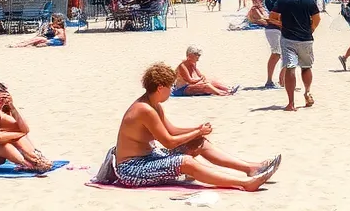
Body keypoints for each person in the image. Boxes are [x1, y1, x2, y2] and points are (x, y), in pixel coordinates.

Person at [114, 62, 281, 189]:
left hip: (149, 157)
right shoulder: (144, 110)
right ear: (159, 88)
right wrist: (195, 132)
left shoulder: (154, 105)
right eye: (170, 87)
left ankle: (250, 168)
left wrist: (197, 131)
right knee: (185, 162)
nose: (171, 91)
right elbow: (169, 142)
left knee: (198, 142)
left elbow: (171, 131)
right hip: (132, 169)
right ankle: (245, 183)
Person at [276, 0, 320, 110]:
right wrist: (311, 29)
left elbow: (273, 16)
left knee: (290, 67)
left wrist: (282, 24)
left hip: (288, 37)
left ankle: (291, 103)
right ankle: (307, 92)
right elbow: (317, 18)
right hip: (306, 38)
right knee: (306, 67)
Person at [173, 46, 238, 96]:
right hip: (181, 90)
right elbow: (190, 81)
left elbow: (200, 75)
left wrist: (203, 78)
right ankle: (223, 94)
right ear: (189, 55)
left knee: (212, 81)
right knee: (206, 85)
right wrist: (201, 80)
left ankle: (228, 89)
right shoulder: (182, 66)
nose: (198, 56)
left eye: (199, 55)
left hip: (189, 86)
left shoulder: (192, 64)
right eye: (196, 54)